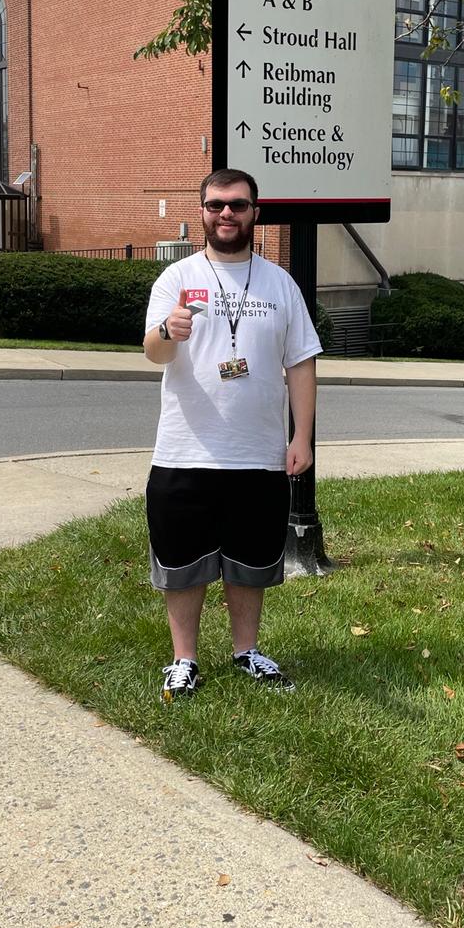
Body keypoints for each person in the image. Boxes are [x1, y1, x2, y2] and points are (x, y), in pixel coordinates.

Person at [142, 168, 321, 701]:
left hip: (258, 453)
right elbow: (153, 353)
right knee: (182, 564)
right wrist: (166, 331)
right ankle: (184, 660)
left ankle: (247, 651)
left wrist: (302, 437)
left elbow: (302, 363)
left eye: (238, 205)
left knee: (249, 563)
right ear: (201, 211)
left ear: (254, 213)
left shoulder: (279, 283)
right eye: (216, 204)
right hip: (184, 450)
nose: (227, 214)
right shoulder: (175, 279)